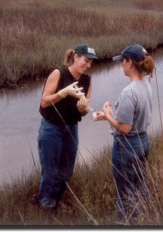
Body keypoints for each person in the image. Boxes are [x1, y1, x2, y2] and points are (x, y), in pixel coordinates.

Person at [94, 44, 156, 221]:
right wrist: (108, 116)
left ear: (130, 63)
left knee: (125, 192)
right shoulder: (146, 85)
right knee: (140, 185)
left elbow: (124, 128)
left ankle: (126, 222)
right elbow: (132, 119)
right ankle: (146, 218)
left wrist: (107, 113)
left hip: (127, 146)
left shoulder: (129, 92)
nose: (121, 64)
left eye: (123, 61)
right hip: (142, 142)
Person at [37, 43, 98, 209]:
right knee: (50, 170)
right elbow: (44, 102)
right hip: (52, 128)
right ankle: (47, 205)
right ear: (76, 56)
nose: (88, 65)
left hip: (71, 128)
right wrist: (63, 92)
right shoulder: (59, 73)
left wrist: (83, 109)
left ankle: (58, 199)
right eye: (85, 60)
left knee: (67, 169)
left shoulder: (87, 80)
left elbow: (85, 110)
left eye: (91, 62)